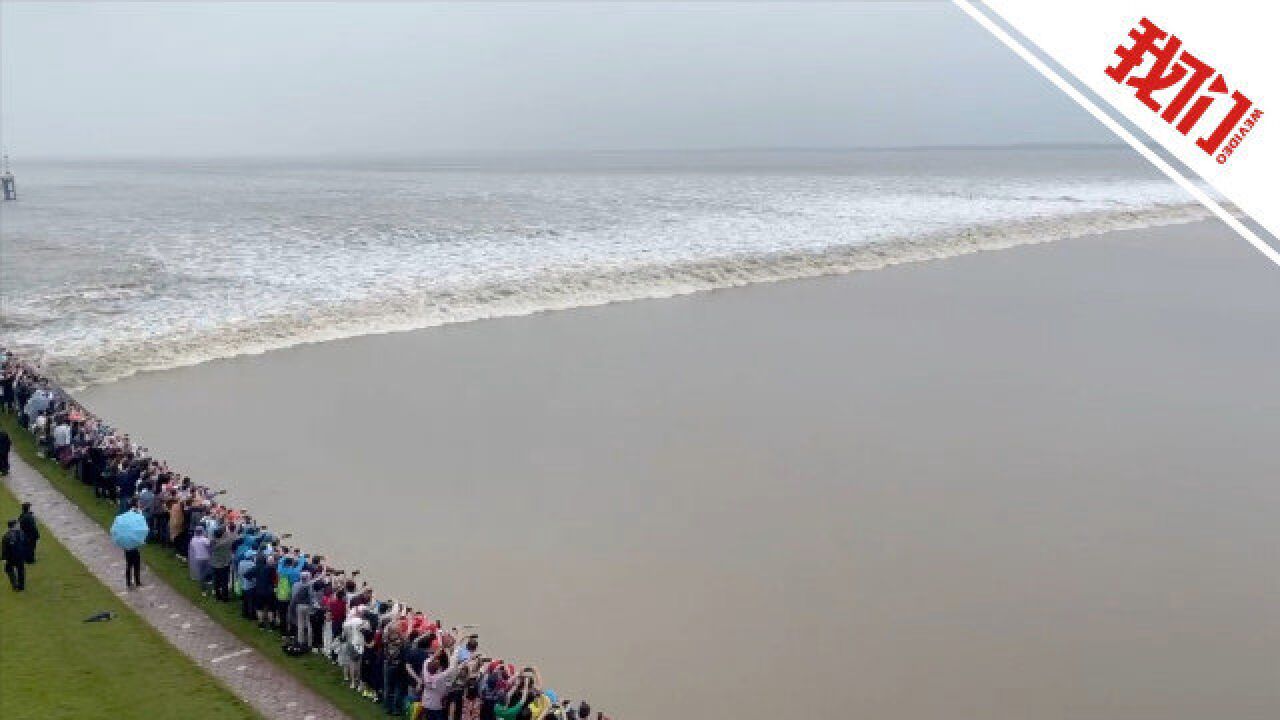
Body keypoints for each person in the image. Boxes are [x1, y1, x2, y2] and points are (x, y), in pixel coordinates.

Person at [2, 519, 25, 591]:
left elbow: (4, 549)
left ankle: (15, 584)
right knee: (21, 570)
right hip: (20, 556)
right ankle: (21, 586)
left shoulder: (6, 536)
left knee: (8, 569)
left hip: (11, 557)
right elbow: (25, 543)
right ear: (14, 525)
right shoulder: (21, 533)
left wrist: (4, 558)